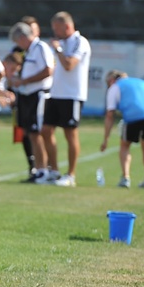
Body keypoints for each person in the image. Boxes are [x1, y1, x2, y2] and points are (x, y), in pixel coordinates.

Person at [43, 11, 91, 187]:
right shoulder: (60, 43)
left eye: (57, 28)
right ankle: (54, 171)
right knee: (46, 131)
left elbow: (69, 65)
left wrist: (58, 49)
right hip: (55, 93)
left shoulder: (80, 42)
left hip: (72, 95)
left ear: (68, 26)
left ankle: (71, 175)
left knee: (70, 133)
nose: (55, 32)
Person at [8, 21, 54, 183]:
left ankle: (43, 170)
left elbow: (48, 70)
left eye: (17, 41)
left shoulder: (40, 47)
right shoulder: (29, 51)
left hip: (38, 95)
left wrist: (25, 81)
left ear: (22, 37)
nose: (17, 45)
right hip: (27, 96)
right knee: (30, 133)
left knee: (36, 133)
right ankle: (39, 169)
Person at [101, 70, 144, 190]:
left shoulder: (114, 87)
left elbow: (110, 115)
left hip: (134, 114)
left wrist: (106, 139)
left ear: (111, 80)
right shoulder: (140, 82)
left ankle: (125, 178)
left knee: (125, 145)